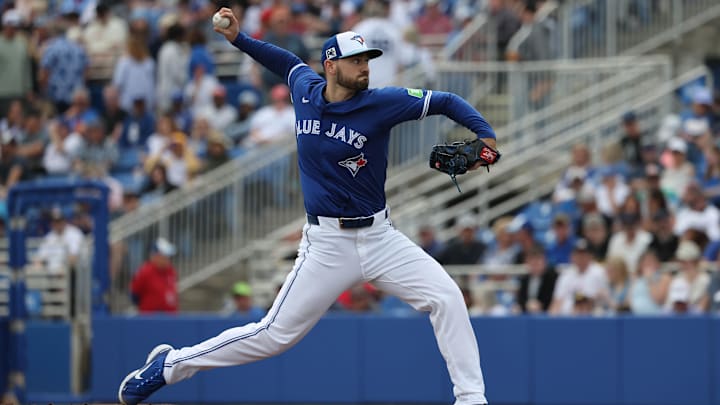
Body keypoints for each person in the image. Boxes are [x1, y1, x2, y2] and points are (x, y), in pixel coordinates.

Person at [118, 9, 497, 405]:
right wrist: (239, 39)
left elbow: (447, 101)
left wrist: (485, 136)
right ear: (331, 66)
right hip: (327, 244)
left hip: (381, 237)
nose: (365, 67)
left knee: (447, 297)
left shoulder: (382, 102)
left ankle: (471, 398)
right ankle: (170, 365)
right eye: (356, 60)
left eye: (367, 59)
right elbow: (283, 60)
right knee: (272, 336)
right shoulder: (304, 88)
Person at [129, 237, 179, 314]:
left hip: (170, 318)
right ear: (155, 256)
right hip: (150, 319)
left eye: (168, 257)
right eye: (164, 256)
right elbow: (134, 295)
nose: (167, 259)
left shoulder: (171, 271)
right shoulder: (144, 272)